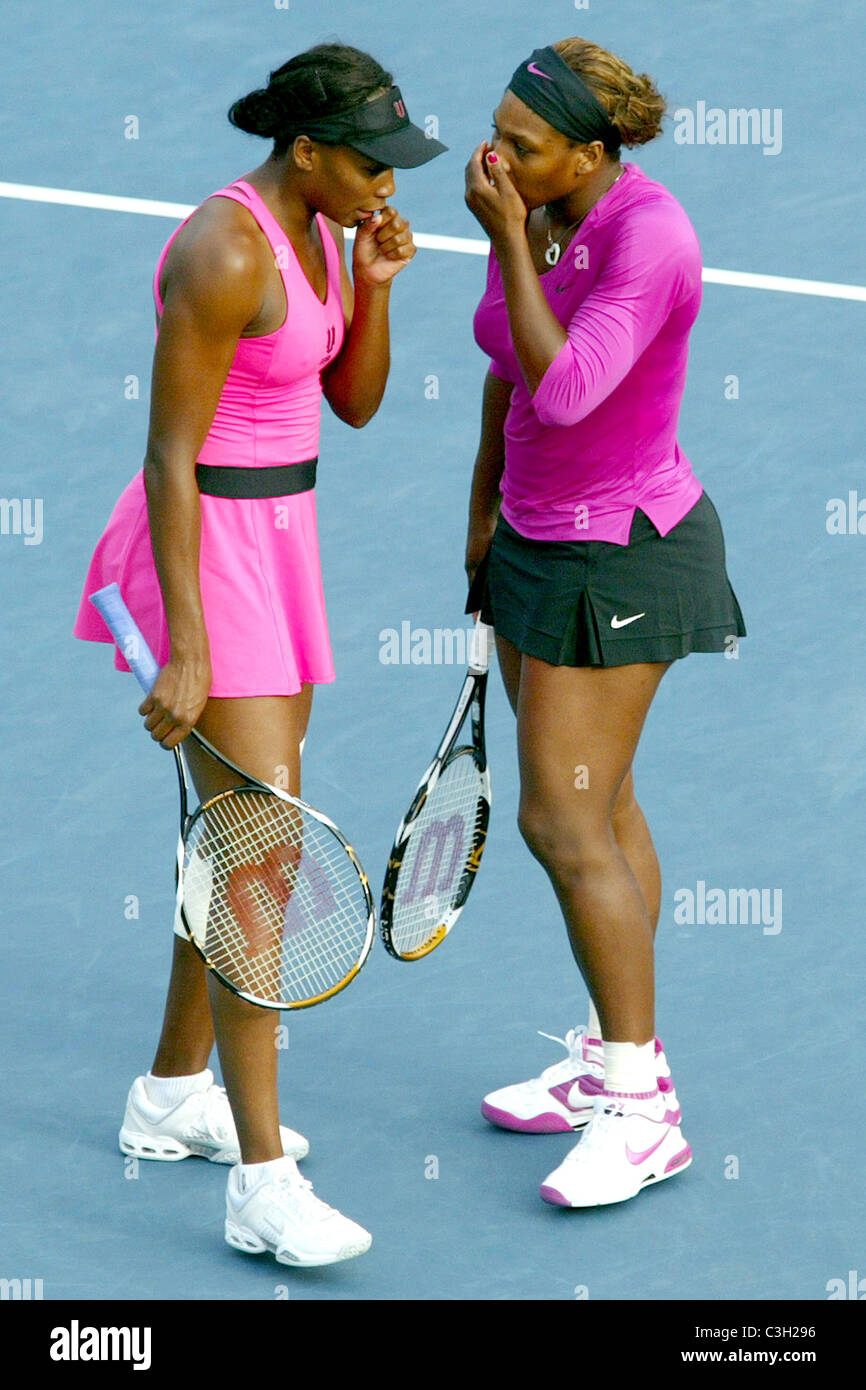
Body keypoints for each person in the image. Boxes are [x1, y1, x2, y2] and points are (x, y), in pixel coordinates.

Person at [73, 42, 445, 1266]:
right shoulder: (221, 250)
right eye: (369, 161)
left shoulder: (332, 227)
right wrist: (184, 646)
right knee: (261, 859)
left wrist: (376, 284)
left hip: (280, 539)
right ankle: (261, 1180)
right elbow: (168, 454)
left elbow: (350, 401)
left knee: (243, 833)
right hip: (204, 547)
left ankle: (174, 1092)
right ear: (303, 148)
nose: (387, 182)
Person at [463, 38, 745, 1207]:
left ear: (588, 151)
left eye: (519, 148)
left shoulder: (647, 237)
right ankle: (608, 1053)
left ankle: (640, 1108)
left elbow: (565, 383)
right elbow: (500, 362)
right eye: (496, 131)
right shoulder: (545, 210)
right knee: (605, 802)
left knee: (558, 819)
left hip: (619, 554)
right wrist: (479, 515)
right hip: (536, 542)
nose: (492, 158)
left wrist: (501, 240)